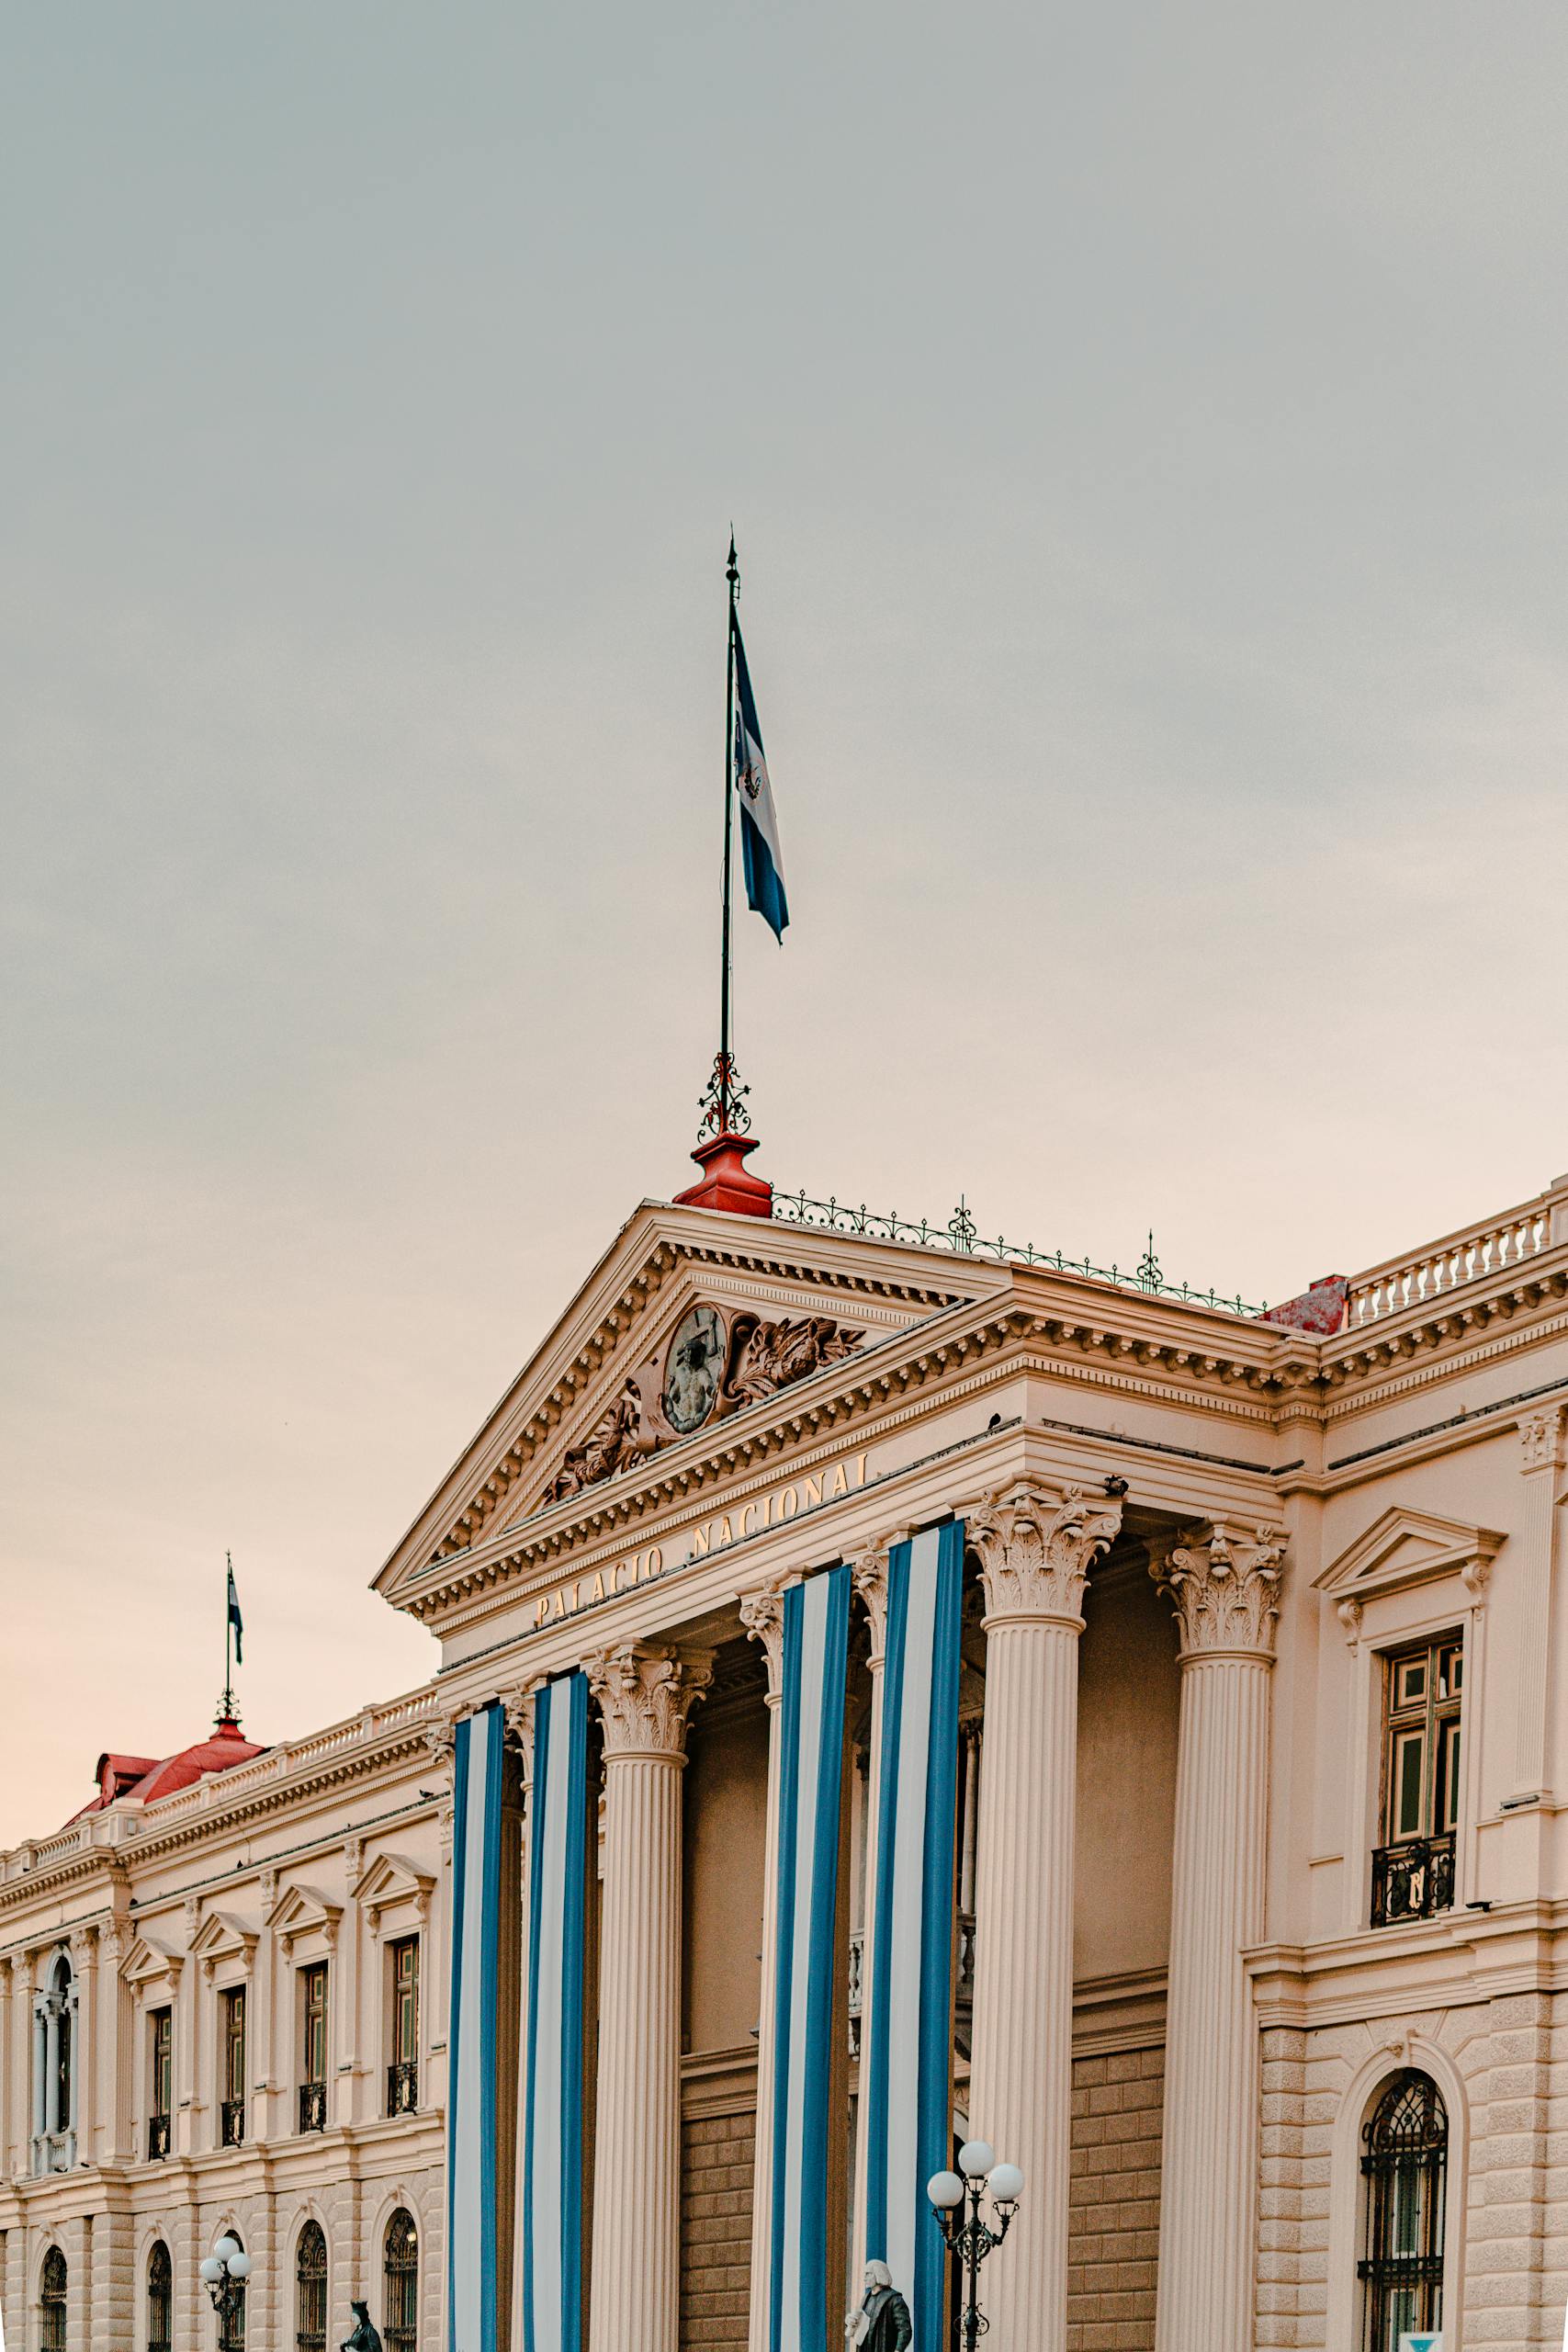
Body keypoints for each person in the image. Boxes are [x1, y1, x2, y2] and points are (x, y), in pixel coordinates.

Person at [845, 2259, 912, 2350]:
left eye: (868, 2274)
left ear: (879, 2274)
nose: (864, 2278)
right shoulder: (866, 2298)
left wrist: (898, 2350)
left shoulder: (895, 2300)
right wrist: (850, 2320)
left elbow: (904, 2329)